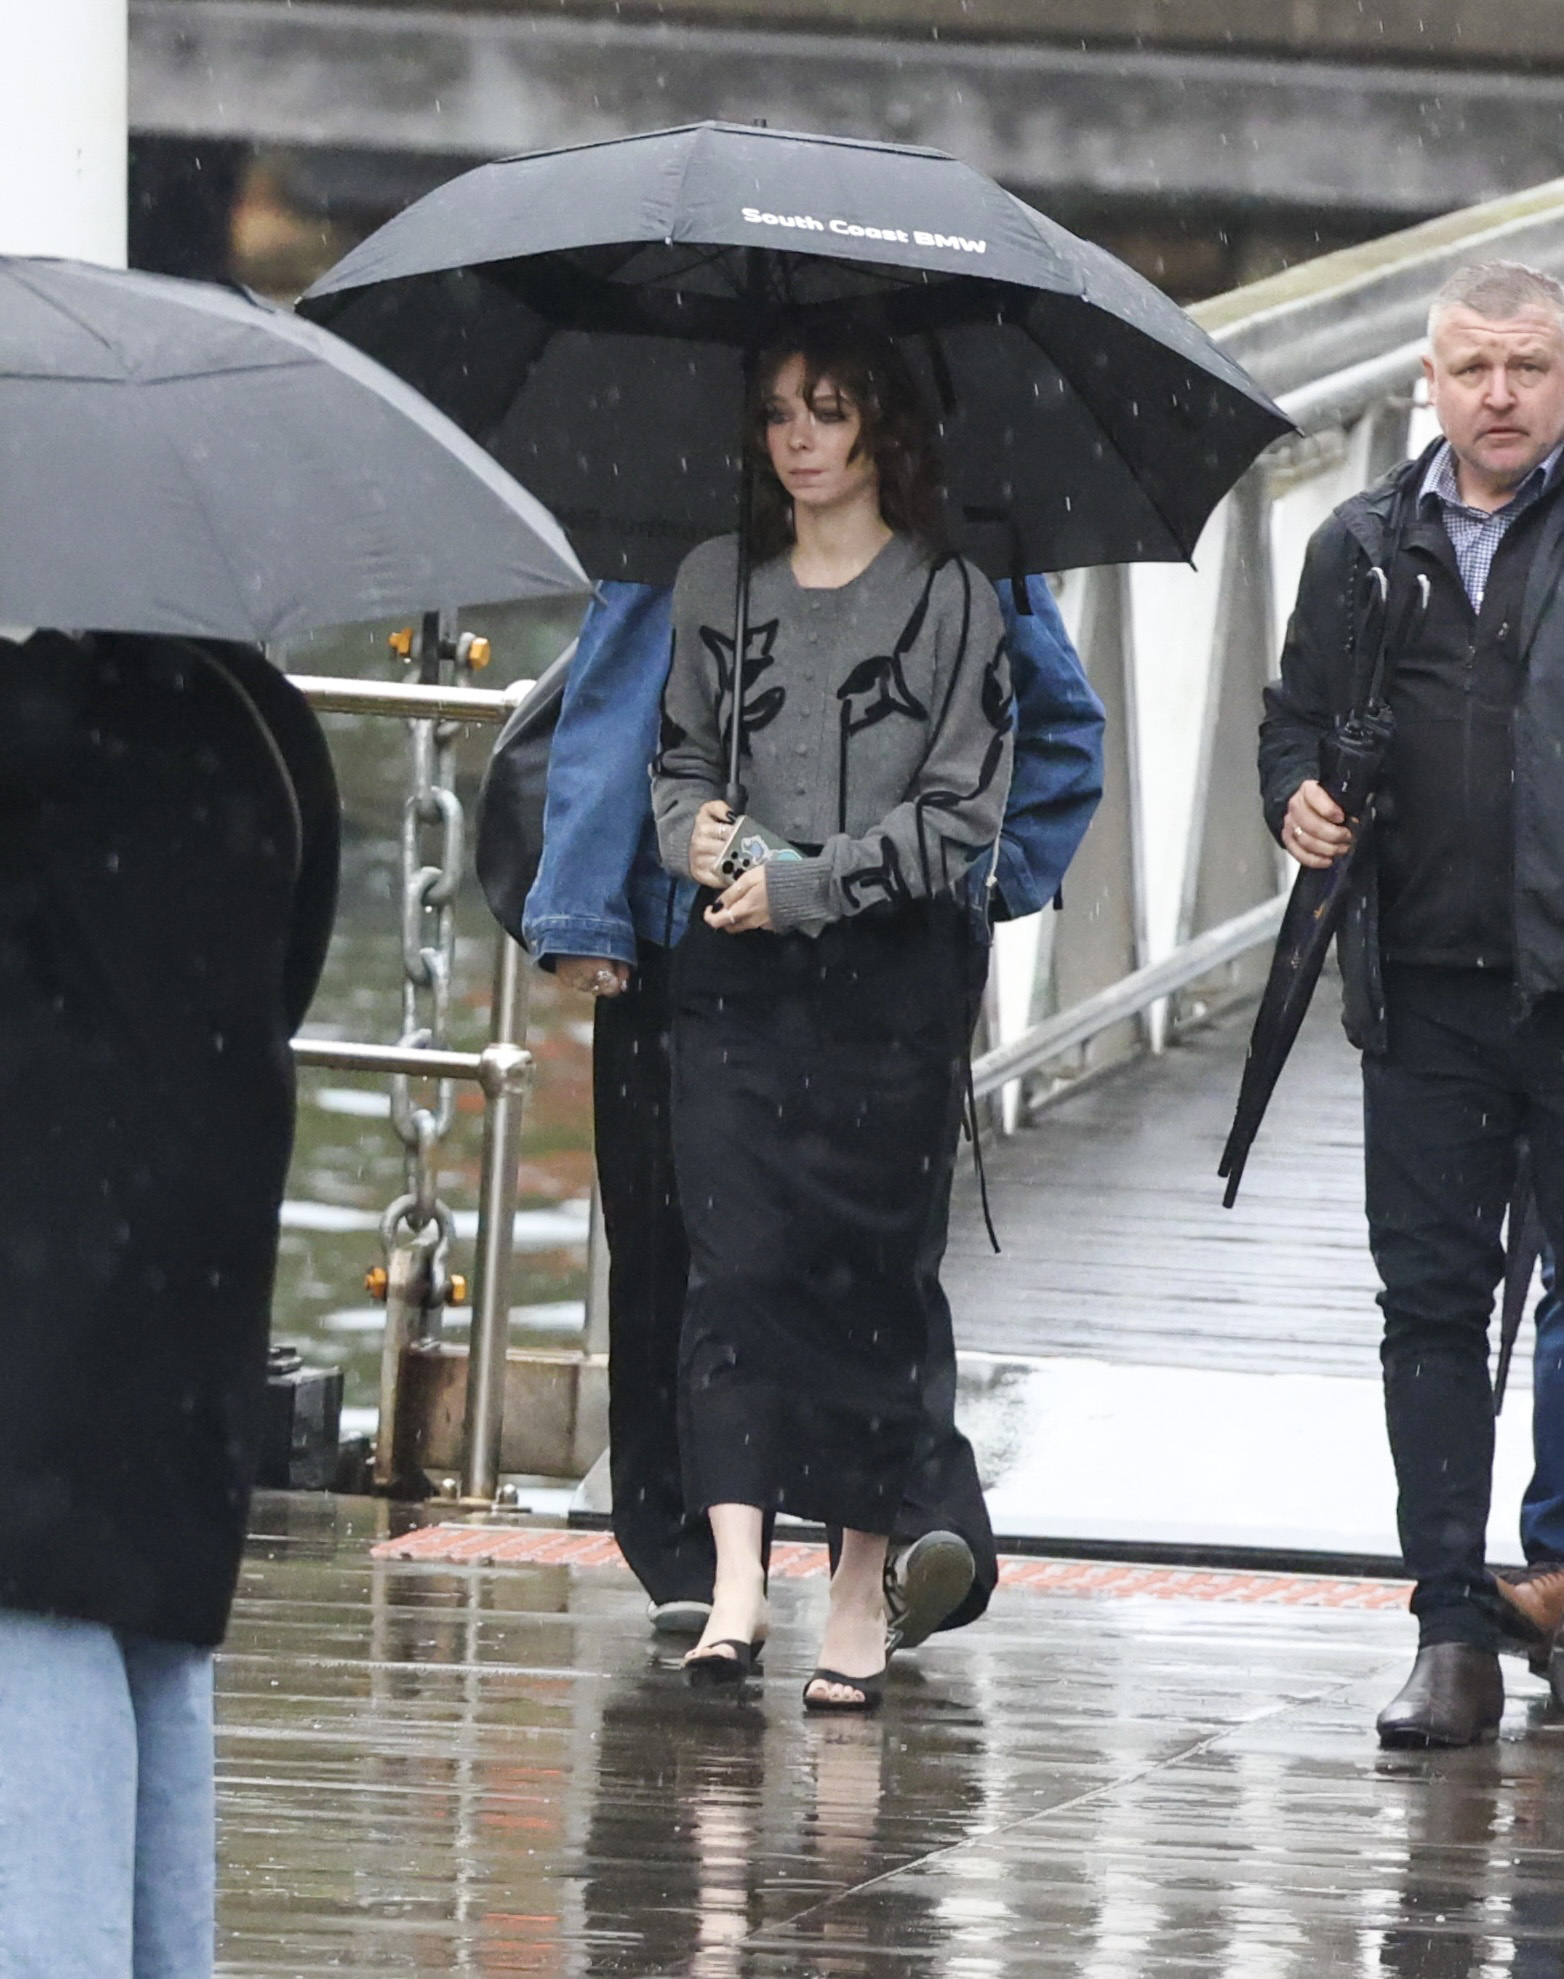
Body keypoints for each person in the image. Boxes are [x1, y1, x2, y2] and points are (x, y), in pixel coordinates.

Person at [506, 561, 1102, 1657]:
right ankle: (713, 1545)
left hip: (869, 939)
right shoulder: (686, 533)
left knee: (854, 1248)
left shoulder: (962, 548)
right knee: (697, 1246)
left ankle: (885, 1530)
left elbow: (1060, 723)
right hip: (693, 933)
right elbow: (619, 702)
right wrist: (588, 909)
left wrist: (984, 876)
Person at [651, 329, 1014, 1710]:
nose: (798, 438)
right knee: (733, 1264)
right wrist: (692, 834)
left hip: (888, 983)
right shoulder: (715, 581)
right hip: (733, 981)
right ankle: (737, 1580)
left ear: (881, 429)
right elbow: (679, 756)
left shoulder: (953, 599)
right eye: (776, 414)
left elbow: (961, 813)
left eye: (828, 411)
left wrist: (808, 883)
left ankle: (857, 1589)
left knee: (868, 1281)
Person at [0, 629, 339, 1973]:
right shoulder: (259, 714)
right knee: (156, 1633)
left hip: (34, 1251)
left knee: (33, 1630)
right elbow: (290, 972)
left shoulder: (27, 722)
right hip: (193, 1247)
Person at [1259, 259, 1564, 1748]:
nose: (1500, 394)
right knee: (1429, 1305)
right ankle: (1450, 1625)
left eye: (1530, 366)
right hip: (1425, 984)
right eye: (1473, 368)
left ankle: (1557, 1576)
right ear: (1426, 383)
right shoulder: (1361, 544)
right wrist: (1296, 796)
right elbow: (1291, 721)